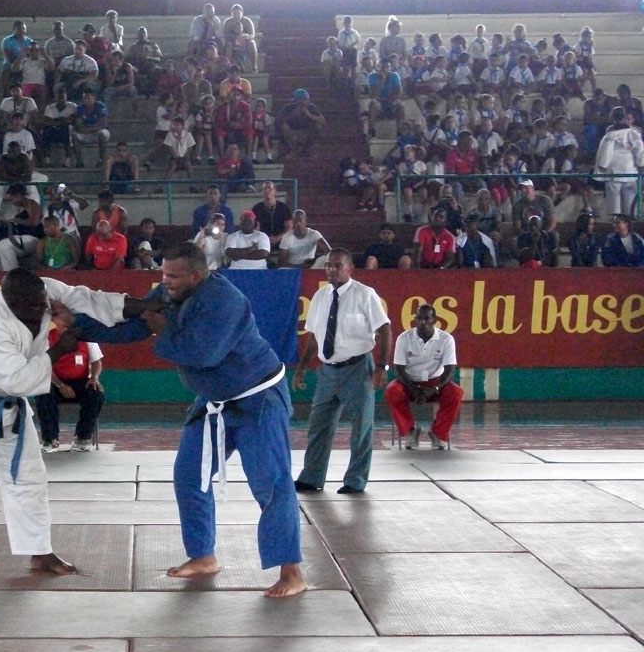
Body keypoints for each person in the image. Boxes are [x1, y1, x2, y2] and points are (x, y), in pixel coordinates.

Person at [0, 269, 161, 589]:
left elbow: (89, 300)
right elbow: (18, 380)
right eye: (34, 306)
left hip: (9, 405)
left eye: (42, 302)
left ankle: (39, 551)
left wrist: (144, 305)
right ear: (11, 302)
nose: (42, 309)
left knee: (29, 478)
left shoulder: (43, 292)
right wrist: (61, 348)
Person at [77, 243, 306, 598]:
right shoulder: (169, 292)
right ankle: (203, 555)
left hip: (258, 398)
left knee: (270, 484)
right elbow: (136, 324)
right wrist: (78, 328)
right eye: (163, 274)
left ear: (197, 275)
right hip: (214, 400)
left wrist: (163, 328)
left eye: (173, 276)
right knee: (189, 476)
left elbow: (203, 354)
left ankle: (292, 572)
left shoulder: (225, 301)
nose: (165, 281)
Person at [294, 248, 391, 495]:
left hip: (357, 368)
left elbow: (385, 330)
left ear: (350, 269)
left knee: (361, 427)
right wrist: (302, 367)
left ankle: (355, 480)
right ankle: (311, 477)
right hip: (327, 370)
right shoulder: (320, 296)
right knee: (318, 426)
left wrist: (381, 366)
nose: (331, 269)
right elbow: (314, 336)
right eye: (328, 265)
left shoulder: (364, 294)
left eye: (337, 265)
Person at [385, 303, 463, 450]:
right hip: (409, 383)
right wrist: (413, 389)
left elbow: (449, 370)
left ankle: (438, 433)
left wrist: (435, 388)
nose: (423, 322)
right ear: (415, 319)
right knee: (392, 391)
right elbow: (399, 369)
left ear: (435, 320)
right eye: (419, 318)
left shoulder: (446, 339)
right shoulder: (404, 338)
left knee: (456, 392)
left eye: (427, 319)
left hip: (436, 383)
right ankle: (411, 430)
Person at [36, 305, 105, 453]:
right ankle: (50, 439)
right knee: (42, 393)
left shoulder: (87, 338)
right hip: (55, 382)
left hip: (80, 382)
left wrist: (94, 377)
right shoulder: (46, 339)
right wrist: (60, 385)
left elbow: (96, 362)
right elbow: (45, 367)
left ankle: (82, 437)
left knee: (96, 394)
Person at [595, 107, 644, 219]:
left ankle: (616, 221)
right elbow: (639, 151)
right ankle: (629, 221)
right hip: (629, 170)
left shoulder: (609, 135)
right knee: (630, 203)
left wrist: (603, 165)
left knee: (614, 202)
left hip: (613, 171)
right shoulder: (633, 133)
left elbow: (605, 153)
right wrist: (641, 165)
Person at [277, 89, 326, 158]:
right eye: (305, 99)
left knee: (318, 125)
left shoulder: (311, 107)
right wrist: (295, 113)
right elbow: (279, 120)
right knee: (284, 127)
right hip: (292, 130)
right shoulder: (289, 107)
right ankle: (291, 150)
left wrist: (309, 114)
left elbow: (323, 121)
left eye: (307, 99)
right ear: (298, 100)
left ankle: (307, 149)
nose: (308, 101)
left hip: (307, 130)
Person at [251, 181, 292, 246]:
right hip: (263, 241)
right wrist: (264, 239)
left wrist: (278, 238)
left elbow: (289, 227)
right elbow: (256, 228)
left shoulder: (284, 208)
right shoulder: (257, 208)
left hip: (281, 241)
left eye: (269, 188)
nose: (267, 191)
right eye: (264, 189)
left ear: (275, 191)